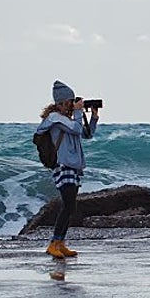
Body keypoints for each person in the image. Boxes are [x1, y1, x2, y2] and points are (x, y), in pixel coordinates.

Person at [36, 80, 99, 258]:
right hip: (63, 166)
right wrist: (79, 112)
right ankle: (54, 243)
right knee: (68, 204)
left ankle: (60, 242)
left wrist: (93, 117)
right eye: (71, 102)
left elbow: (86, 134)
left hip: (72, 167)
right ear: (62, 103)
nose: (73, 105)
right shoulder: (55, 119)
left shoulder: (67, 120)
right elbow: (76, 128)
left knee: (70, 206)